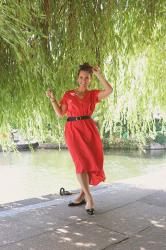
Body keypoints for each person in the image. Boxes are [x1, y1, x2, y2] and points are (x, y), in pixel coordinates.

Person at [46, 63, 113, 215]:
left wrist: (99, 75)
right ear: (78, 78)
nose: (84, 80)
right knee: (81, 164)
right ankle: (89, 198)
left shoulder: (93, 94)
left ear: (90, 80)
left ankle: (82, 196)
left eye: (87, 78)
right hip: (73, 130)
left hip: (89, 129)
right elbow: (60, 114)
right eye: (81, 77)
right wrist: (52, 99)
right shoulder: (68, 94)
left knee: (90, 161)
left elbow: (109, 90)